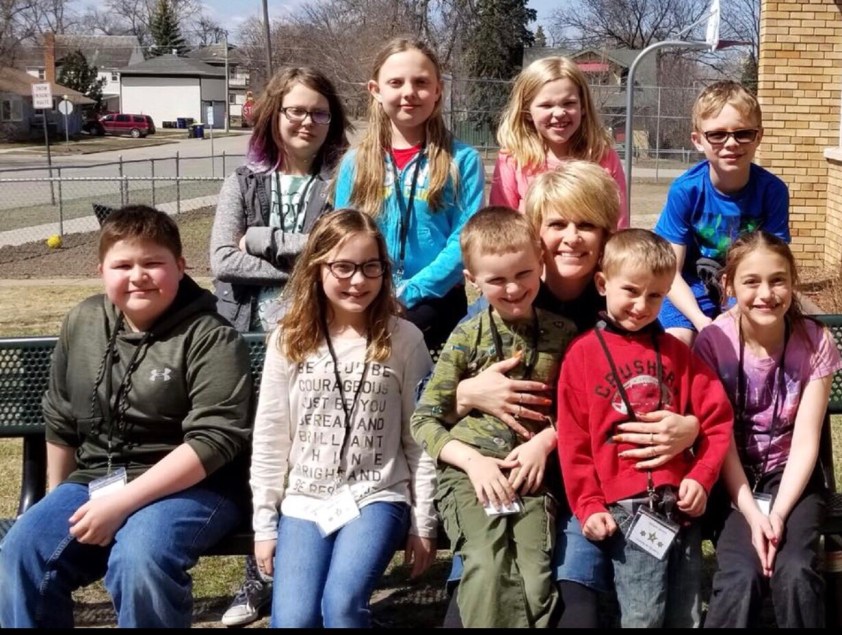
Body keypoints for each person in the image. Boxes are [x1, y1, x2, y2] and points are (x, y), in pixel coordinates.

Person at [443, 162, 701, 628]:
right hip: (509, 482)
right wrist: (467, 392)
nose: (571, 238)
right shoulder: (508, 298)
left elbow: (667, 386)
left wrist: (690, 425)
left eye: (587, 225)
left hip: (587, 489)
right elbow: (431, 401)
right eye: (557, 224)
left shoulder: (626, 309)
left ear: (606, 235)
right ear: (536, 233)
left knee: (575, 610)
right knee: (478, 601)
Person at [0, 206, 253, 628]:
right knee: (23, 549)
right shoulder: (84, 321)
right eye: (123, 265)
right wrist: (56, 500)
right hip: (97, 479)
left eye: (153, 263)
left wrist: (122, 503)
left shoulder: (211, 336)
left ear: (180, 267)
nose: (138, 276)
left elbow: (213, 441)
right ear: (101, 271)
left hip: (197, 487)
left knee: (140, 557)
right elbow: (60, 416)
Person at [250, 208, 438, 628]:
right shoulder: (289, 339)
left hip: (377, 494)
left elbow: (420, 439)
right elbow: (271, 437)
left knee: (340, 606)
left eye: (371, 267)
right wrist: (265, 525)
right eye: (343, 267)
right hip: (306, 497)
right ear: (317, 268)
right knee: (294, 620)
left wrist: (423, 522)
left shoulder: (404, 339)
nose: (358, 281)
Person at [209, 66, 349, 627]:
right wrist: (305, 261)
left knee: (309, 451)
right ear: (275, 115)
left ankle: (313, 571)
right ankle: (259, 574)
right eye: (296, 110)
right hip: (247, 335)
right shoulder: (242, 181)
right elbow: (222, 259)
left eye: (319, 112)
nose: (307, 122)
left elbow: (342, 254)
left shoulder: (339, 182)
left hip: (316, 335)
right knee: (260, 453)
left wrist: (262, 239)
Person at [556, 228, 733, 627]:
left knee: (687, 612)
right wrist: (588, 504)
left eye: (655, 295)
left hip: (681, 506)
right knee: (643, 614)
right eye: (631, 291)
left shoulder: (676, 354)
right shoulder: (582, 355)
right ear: (603, 284)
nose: (641, 305)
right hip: (627, 510)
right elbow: (573, 441)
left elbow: (717, 418)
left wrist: (702, 477)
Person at [411, 207, 577, 627]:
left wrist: (546, 442)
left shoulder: (564, 334)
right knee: (487, 567)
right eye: (497, 280)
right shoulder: (466, 336)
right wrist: (474, 463)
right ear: (473, 280)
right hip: (472, 477)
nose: (514, 288)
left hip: (530, 476)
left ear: (541, 262)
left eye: (523, 273)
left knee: (535, 581)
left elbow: (579, 411)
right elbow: (424, 419)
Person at [694, 231, 842, 628]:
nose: (766, 294)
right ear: (728, 285)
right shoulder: (713, 343)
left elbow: (807, 441)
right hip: (731, 478)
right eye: (751, 281)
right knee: (740, 576)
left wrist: (776, 515)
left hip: (792, 479)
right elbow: (719, 438)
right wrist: (752, 513)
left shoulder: (815, 341)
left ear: (793, 282)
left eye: (778, 280)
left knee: (796, 571)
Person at [334, 37, 485, 354]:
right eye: (396, 82)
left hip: (436, 299)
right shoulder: (355, 162)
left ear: (438, 90)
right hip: (366, 293)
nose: (409, 92)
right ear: (375, 90)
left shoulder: (462, 160)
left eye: (421, 82)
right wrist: (371, 289)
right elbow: (343, 237)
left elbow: (464, 240)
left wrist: (408, 293)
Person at [653, 80, 790, 347]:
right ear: (698, 140)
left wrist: (733, 317)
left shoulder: (772, 191)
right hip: (691, 285)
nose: (731, 143)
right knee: (678, 341)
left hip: (747, 285)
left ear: (759, 136)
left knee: (750, 339)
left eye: (743, 133)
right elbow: (670, 271)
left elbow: (773, 265)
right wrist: (700, 320)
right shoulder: (686, 190)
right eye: (717, 135)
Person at [489, 56, 629, 228]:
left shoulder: (604, 158)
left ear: (583, 107)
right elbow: (501, 228)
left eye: (569, 103)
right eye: (546, 106)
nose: (559, 113)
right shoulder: (513, 160)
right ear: (527, 111)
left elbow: (618, 228)